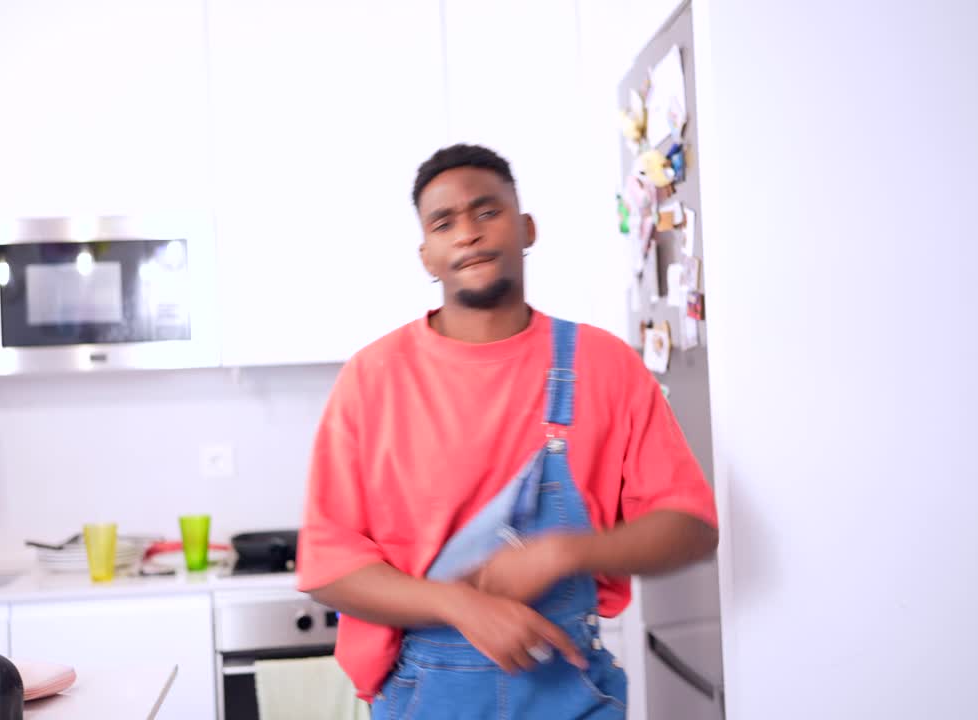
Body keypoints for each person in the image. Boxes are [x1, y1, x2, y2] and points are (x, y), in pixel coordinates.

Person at [297, 144, 718, 718]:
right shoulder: (373, 379)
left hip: (571, 692)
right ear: (427, 255)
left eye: (486, 211)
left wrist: (564, 552)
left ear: (526, 229)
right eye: (444, 223)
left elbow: (692, 528)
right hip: (424, 696)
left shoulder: (605, 365)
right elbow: (328, 568)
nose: (467, 233)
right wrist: (463, 608)